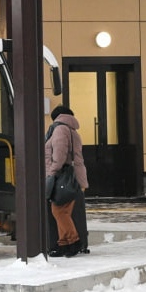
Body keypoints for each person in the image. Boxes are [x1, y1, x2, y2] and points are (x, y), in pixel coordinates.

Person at [44, 104, 88, 257]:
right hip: (72, 176)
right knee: (63, 212)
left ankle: (74, 241)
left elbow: (60, 154)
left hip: (62, 176)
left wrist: (52, 171)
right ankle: (64, 244)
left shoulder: (60, 129)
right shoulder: (71, 130)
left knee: (59, 211)